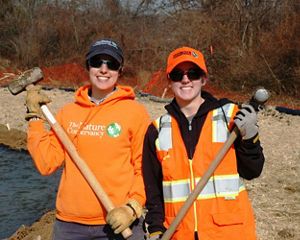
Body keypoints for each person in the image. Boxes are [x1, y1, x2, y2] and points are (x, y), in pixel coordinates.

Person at [26, 38, 150, 239]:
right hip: (70, 226)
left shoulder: (135, 113)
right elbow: (46, 163)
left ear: (120, 70)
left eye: (111, 64)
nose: (103, 69)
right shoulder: (68, 113)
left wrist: (132, 208)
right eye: (97, 62)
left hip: (119, 222)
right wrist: (34, 118)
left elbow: (144, 168)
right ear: (87, 67)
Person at [142, 46, 265, 240]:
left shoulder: (230, 117)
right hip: (179, 234)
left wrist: (250, 139)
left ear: (203, 79)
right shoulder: (157, 130)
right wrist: (156, 229)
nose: (185, 79)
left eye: (193, 73)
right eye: (177, 74)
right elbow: (153, 191)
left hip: (230, 233)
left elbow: (253, 171)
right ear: (169, 81)